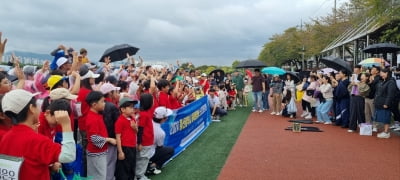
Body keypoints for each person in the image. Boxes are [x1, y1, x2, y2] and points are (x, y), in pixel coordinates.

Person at [0, 89, 76, 180]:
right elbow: (68, 156)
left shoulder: (6, 137)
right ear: (32, 108)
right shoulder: (37, 140)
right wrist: (66, 125)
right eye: (37, 106)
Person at [85, 91, 117, 179]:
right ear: (94, 104)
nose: (104, 104)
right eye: (102, 101)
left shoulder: (95, 115)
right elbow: (94, 138)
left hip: (98, 152)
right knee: (99, 176)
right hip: (96, 153)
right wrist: (109, 139)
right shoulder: (92, 118)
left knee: (97, 175)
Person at [100, 83, 121, 180]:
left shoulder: (101, 104)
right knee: (110, 162)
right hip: (111, 139)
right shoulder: (112, 106)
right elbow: (117, 125)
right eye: (115, 91)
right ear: (110, 93)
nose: (116, 93)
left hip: (102, 138)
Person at [115, 97, 139, 180]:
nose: (133, 109)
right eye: (130, 107)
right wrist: (120, 151)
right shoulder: (120, 121)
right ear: (122, 109)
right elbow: (118, 137)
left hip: (132, 146)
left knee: (132, 167)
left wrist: (135, 127)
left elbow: (136, 132)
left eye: (133, 107)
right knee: (124, 169)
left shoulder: (133, 119)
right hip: (125, 147)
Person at [147, 106, 175, 175]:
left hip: (140, 150)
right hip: (148, 153)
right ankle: (152, 166)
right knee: (170, 150)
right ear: (163, 119)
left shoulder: (148, 121)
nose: (167, 118)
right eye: (166, 117)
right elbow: (159, 147)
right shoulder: (160, 132)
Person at [374, 68, 398, 138]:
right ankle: (385, 131)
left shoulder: (391, 82)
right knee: (383, 118)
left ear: (386, 73)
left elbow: (390, 94)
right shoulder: (383, 81)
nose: (380, 75)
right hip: (380, 102)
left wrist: (387, 103)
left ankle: (386, 132)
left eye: (382, 73)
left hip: (385, 103)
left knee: (386, 117)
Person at [136, 93, 155, 180]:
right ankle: (140, 176)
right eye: (152, 100)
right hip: (144, 141)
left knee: (144, 158)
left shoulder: (145, 112)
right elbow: (140, 129)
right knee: (142, 159)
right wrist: (139, 143)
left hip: (148, 140)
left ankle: (140, 174)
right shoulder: (143, 114)